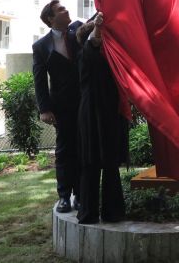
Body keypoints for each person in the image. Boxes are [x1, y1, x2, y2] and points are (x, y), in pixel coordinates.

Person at [75, 13, 129, 224]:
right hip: (92, 115)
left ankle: (112, 212)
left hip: (107, 113)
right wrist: (98, 26)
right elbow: (93, 43)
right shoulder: (86, 53)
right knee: (91, 163)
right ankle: (89, 213)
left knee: (109, 163)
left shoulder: (107, 57)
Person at [32, 0, 83, 213]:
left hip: (85, 102)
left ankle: (80, 194)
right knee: (64, 152)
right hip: (62, 107)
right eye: (61, 10)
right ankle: (64, 196)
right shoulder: (41, 46)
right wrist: (44, 109)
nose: (67, 10)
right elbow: (39, 78)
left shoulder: (79, 31)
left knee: (83, 149)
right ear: (51, 19)